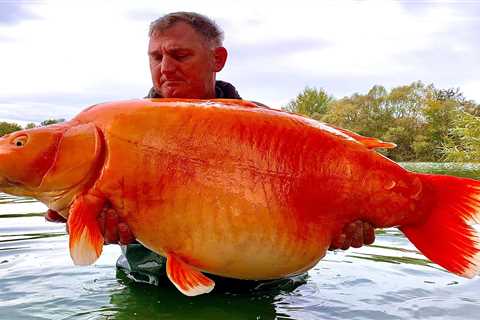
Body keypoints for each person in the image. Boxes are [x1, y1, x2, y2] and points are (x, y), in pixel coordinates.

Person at [46, 11, 375, 288]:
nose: (166, 67)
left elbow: (308, 214)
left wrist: (339, 229)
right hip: (148, 282)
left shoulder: (272, 132)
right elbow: (78, 214)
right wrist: (89, 222)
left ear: (217, 59)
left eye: (180, 55)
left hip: (257, 288)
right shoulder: (114, 133)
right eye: (156, 56)